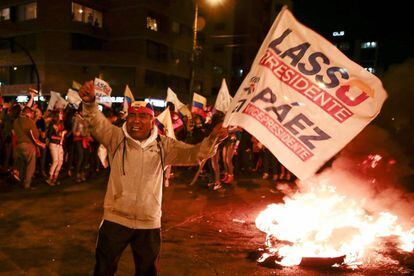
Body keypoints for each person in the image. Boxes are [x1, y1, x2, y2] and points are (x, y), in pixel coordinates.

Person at [78, 80, 227, 275]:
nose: (136, 120)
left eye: (142, 116)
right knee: (103, 269)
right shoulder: (115, 138)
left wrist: (213, 139)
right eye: (132, 116)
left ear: (152, 120)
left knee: (147, 272)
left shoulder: (165, 145)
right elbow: (96, 123)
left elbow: (195, 154)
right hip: (115, 219)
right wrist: (89, 103)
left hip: (149, 222)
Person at [12, 106, 45, 189]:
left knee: (22, 165)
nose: (32, 115)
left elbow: (14, 132)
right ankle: (27, 184)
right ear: (28, 113)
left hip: (19, 145)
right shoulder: (29, 121)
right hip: (28, 145)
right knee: (30, 166)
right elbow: (35, 135)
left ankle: (21, 182)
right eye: (31, 113)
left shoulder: (16, 121)